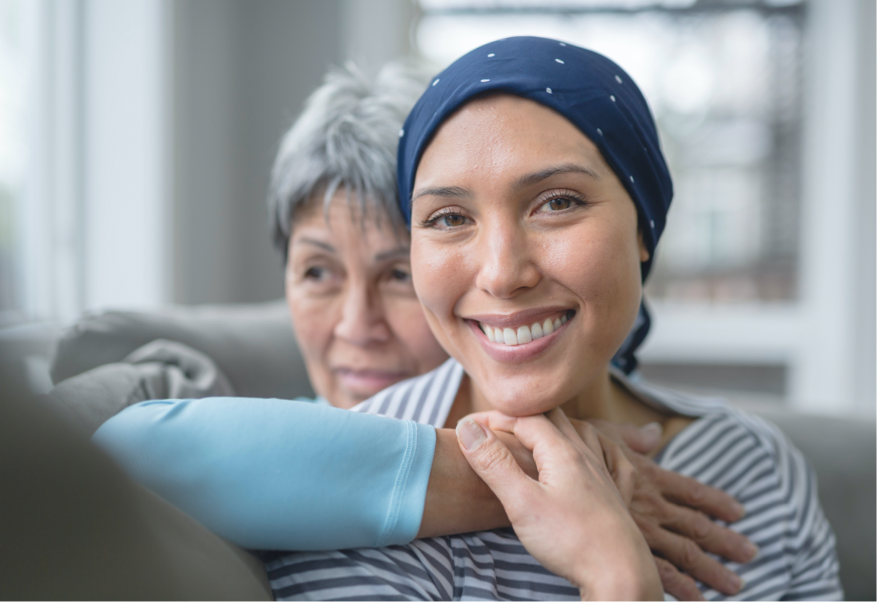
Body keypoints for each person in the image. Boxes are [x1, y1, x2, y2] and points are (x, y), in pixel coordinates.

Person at [95, 59, 762, 600]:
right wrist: (529, 475)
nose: (357, 327)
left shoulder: (742, 467)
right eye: (318, 273)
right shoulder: (274, 466)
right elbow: (115, 460)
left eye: (395, 277)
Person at [246, 37, 841, 600]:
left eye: (557, 203)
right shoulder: (353, 491)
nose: (503, 274)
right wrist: (617, 576)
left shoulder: (757, 465)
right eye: (449, 217)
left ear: (643, 229)